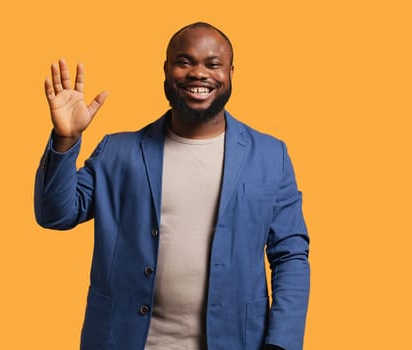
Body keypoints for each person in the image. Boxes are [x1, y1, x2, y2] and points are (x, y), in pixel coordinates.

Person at [35, 22, 310, 350]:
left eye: (213, 64)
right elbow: (56, 214)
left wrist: (281, 344)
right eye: (184, 62)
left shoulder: (269, 155)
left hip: (236, 341)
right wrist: (66, 139)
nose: (199, 73)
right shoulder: (118, 152)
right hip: (123, 340)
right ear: (166, 70)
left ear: (231, 72)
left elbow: (291, 256)